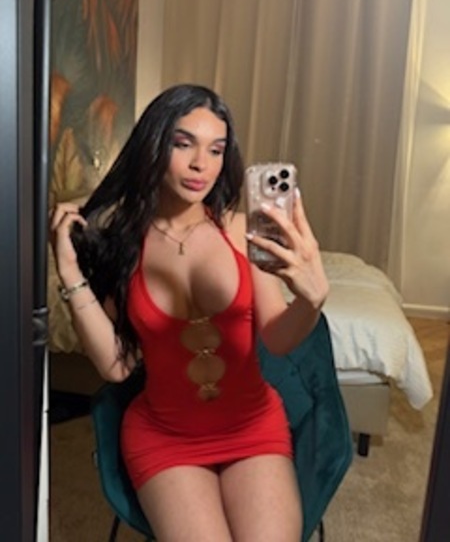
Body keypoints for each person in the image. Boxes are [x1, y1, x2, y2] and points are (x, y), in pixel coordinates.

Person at [50, 83, 329, 542]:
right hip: (165, 436)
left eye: (216, 150)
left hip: (252, 428)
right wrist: (69, 272)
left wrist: (311, 300)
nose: (202, 164)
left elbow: (278, 338)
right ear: (154, 145)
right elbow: (116, 367)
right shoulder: (124, 245)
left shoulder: (241, 232)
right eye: (184, 144)